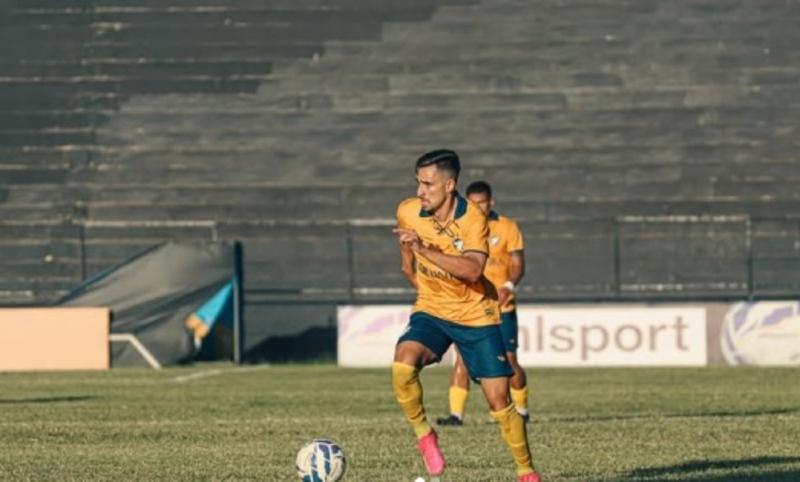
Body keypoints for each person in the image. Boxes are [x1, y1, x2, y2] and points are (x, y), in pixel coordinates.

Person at [392, 149, 541, 482]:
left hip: (477, 314)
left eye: (428, 184)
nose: (420, 192)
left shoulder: (473, 219)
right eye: (418, 183)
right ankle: (424, 436)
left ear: (449, 185)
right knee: (403, 365)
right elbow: (407, 265)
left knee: (498, 399)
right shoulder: (408, 211)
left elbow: (474, 269)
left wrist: (425, 250)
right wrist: (428, 289)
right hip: (432, 310)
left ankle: (526, 471)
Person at [436, 180, 530, 426]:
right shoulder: (458, 228)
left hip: (501, 306)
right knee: (463, 360)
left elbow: (518, 265)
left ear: (491, 202)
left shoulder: (508, 227)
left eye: (482, 202)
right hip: (470, 306)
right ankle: (456, 415)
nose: (478, 207)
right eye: (473, 203)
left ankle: (521, 410)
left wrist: (507, 287)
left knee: (509, 361)